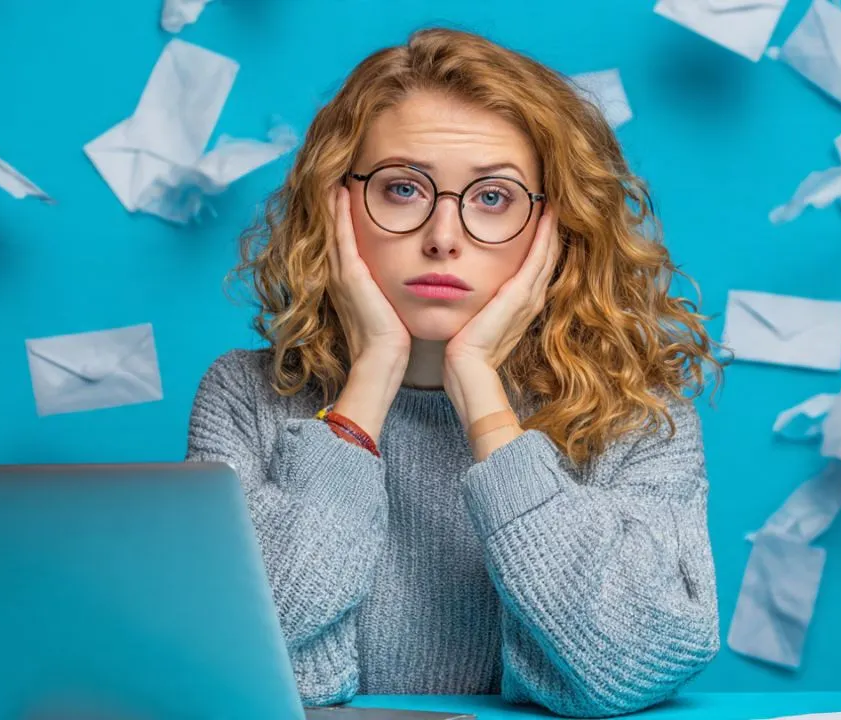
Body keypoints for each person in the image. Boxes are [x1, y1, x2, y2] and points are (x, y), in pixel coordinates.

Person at [187, 26, 724, 719]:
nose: (444, 236)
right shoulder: (244, 397)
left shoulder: (634, 412)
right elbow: (244, 664)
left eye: (493, 197)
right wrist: (369, 386)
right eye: (404, 189)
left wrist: (482, 396)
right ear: (337, 206)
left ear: (554, 228)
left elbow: (632, 665)